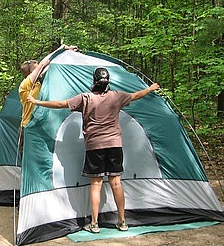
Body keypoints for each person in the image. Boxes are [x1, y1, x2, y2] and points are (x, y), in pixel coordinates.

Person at [27, 67, 160, 233]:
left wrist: (37, 101)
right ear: (108, 82)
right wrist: (149, 89)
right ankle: (122, 221)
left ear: (94, 81)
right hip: (114, 145)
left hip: (95, 146)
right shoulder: (116, 96)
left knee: (96, 184)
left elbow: (61, 104)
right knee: (116, 182)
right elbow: (135, 95)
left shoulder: (86, 98)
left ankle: (95, 224)